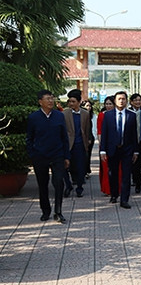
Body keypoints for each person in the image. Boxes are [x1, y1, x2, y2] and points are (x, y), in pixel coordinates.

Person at [26, 90, 70, 223]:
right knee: (43, 184)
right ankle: (45, 211)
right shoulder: (33, 117)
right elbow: (29, 138)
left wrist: (66, 156)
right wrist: (32, 155)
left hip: (57, 155)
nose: (51, 101)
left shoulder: (59, 116)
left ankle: (58, 212)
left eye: (52, 98)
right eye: (47, 99)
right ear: (40, 101)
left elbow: (64, 137)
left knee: (59, 183)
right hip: (40, 156)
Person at [100, 91, 139, 208]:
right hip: (112, 149)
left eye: (123, 99)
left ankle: (124, 200)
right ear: (115, 101)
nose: (121, 101)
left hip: (127, 149)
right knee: (113, 173)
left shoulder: (131, 115)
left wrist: (135, 151)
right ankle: (114, 194)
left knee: (126, 175)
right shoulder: (108, 115)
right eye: (119, 99)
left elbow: (134, 135)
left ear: (126, 101)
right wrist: (103, 150)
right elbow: (104, 133)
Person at [62, 89, 92, 198]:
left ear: (79, 102)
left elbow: (87, 128)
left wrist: (88, 140)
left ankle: (79, 188)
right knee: (64, 167)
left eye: (73, 101)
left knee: (80, 167)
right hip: (68, 144)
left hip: (80, 144)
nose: (71, 104)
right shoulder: (64, 114)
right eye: (69, 101)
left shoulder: (85, 113)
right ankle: (68, 186)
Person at [97, 97, 115, 195]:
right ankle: (107, 189)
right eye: (106, 104)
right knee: (106, 168)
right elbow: (100, 132)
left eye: (110, 104)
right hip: (105, 146)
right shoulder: (102, 115)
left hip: (117, 146)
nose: (108, 106)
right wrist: (102, 147)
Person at [81, 99, 95, 179]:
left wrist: (90, 138)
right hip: (82, 138)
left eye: (90, 106)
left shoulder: (92, 116)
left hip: (90, 139)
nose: (88, 107)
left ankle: (86, 170)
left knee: (88, 155)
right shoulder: (81, 115)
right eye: (87, 106)